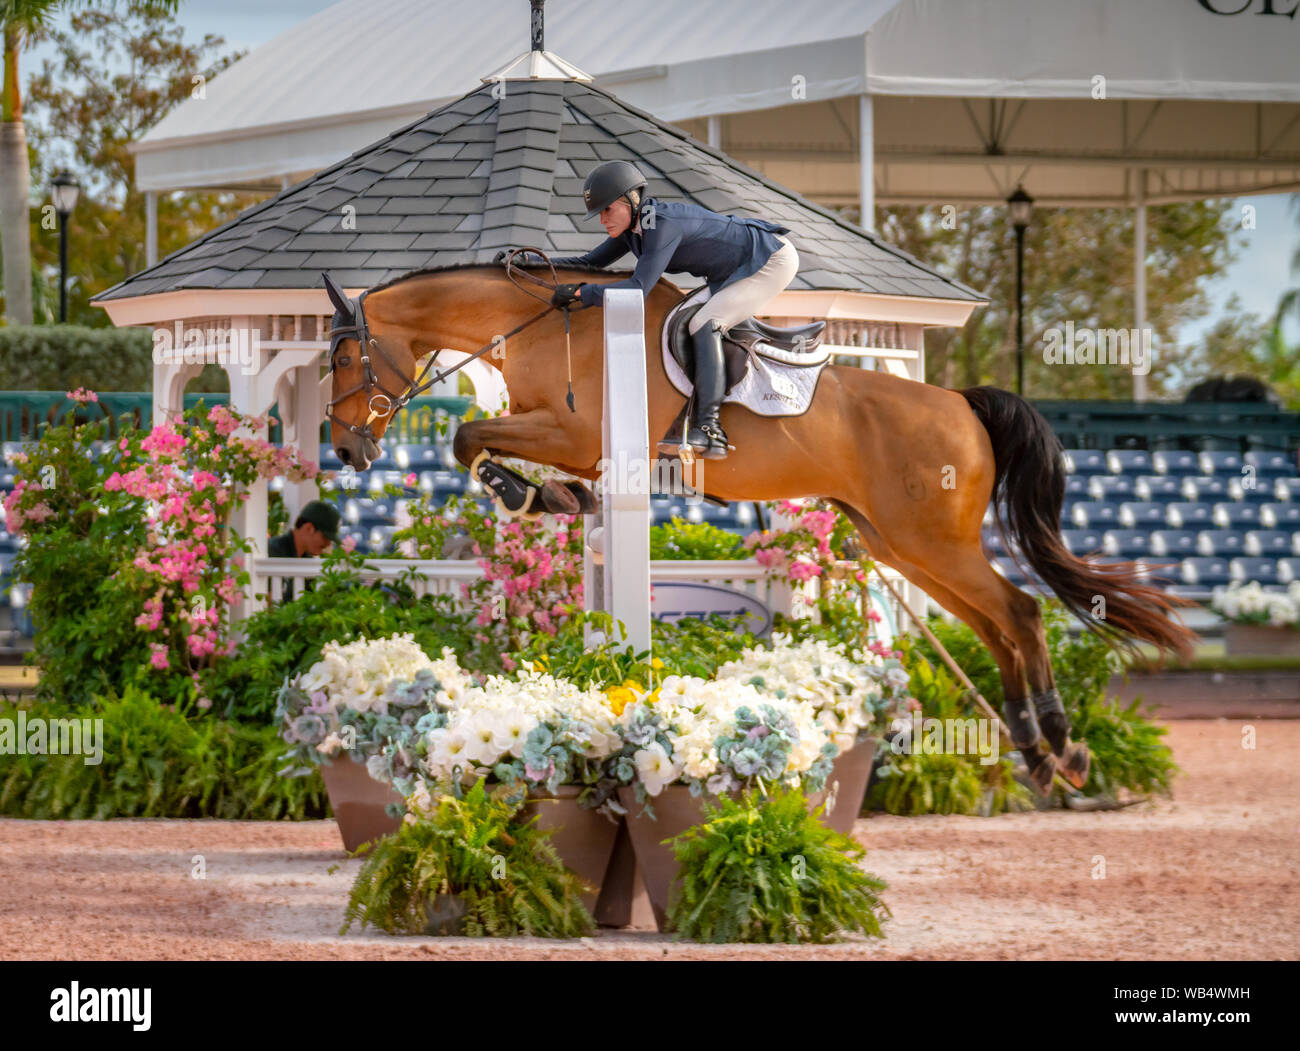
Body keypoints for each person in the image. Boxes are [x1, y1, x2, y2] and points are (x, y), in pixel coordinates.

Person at [540, 160, 799, 460]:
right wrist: (533, 263)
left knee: (704, 324)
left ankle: (710, 427)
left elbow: (638, 289)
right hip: (734, 269)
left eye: (607, 209)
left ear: (631, 200)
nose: (602, 220)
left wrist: (586, 293)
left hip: (770, 259)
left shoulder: (660, 225)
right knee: (691, 320)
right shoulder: (636, 227)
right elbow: (589, 262)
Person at [266, 500, 341, 602]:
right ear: (308, 528)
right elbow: (267, 601)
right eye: (325, 537)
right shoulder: (272, 550)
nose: (327, 544)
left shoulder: (308, 560)